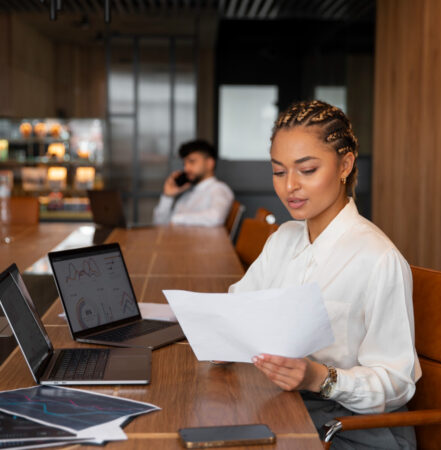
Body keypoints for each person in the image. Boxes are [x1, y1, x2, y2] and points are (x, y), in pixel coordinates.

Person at [228, 100, 421, 449]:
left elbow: (398, 383)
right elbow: (238, 308)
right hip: (284, 406)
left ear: (345, 165)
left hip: (352, 428)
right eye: (279, 171)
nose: (290, 187)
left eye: (307, 169)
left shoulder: (378, 258)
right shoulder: (284, 240)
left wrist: (321, 378)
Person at [152, 139, 234, 227]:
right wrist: (167, 197)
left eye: (192, 161)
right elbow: (159, 224)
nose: (186, 168)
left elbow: (217, 217)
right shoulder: (187, 194)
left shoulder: (218, 189)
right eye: (185, 163)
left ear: (210, 163)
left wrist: (177, 219)